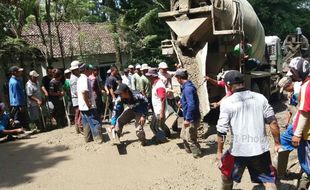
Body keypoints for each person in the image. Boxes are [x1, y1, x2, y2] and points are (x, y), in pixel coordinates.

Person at [216, 70, 281, 190]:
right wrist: (277, 143)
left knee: (226, 175)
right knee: (268, 181)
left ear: (228, 86)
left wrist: (219, 152)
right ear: (243, 83)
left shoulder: (227, 103)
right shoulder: (260, 98)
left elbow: (221, 130)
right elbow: (273, 122)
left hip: (237, 151)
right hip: (260, 150)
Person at [286, 57, 310, 189]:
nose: (292, 75)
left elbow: (305, 112)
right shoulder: (306, 84)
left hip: (307, 134)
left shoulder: (306, 87)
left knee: (307, 164)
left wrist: (297, 134)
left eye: (293, 72)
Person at [175, 68, 202, 158]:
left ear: (179, 78)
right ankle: (189, 150)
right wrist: (182, 102)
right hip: (188, 117)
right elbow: (189, 101)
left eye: (176, 78)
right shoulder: (186, 87)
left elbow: (192, 105)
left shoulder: (188, 89)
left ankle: (197, 154)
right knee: (183, 135)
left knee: (191, 138)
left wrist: (188, 119)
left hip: (191, 118)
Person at [77, 64, 103, 143]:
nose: (91, 71)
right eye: (89, 69)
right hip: (88, 106)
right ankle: (98, 139)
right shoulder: (85, 78)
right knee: (95, 122)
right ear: (85, 70)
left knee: (87, 124)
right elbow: (84, 92)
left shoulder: (79, 79)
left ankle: (88, 139)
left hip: (82, 106)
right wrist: (88, 104)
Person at [146, 68, 170, 142]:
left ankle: (162, 139)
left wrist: (162, 112)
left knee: (154, 126)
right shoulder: (155, 84)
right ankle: (165, 135)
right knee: (160, 125)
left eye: (149, 76)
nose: (148, 78)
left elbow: (162, 99)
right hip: (157, 110)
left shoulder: (159, 85)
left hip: (159, 110)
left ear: (152, 76)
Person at [8, 66, 29, 130]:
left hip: (16, 103)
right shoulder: (14, 82)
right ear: (15, 72)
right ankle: (19, 131)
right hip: (17, 104)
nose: (20, 72)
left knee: (20, 118)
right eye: (19, 71)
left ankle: (22, 130)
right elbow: (16, 94)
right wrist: (20, 105)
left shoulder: (13, 80)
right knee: (18, 118)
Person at [69, 61, 83, 134]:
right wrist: (82, 98)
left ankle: (78, 127)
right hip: (77, 98)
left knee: (79, 113)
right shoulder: (73, 79)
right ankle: (78, 127)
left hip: (78, 98)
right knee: (78, 113)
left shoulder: (77, 76)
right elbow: (75, 91)